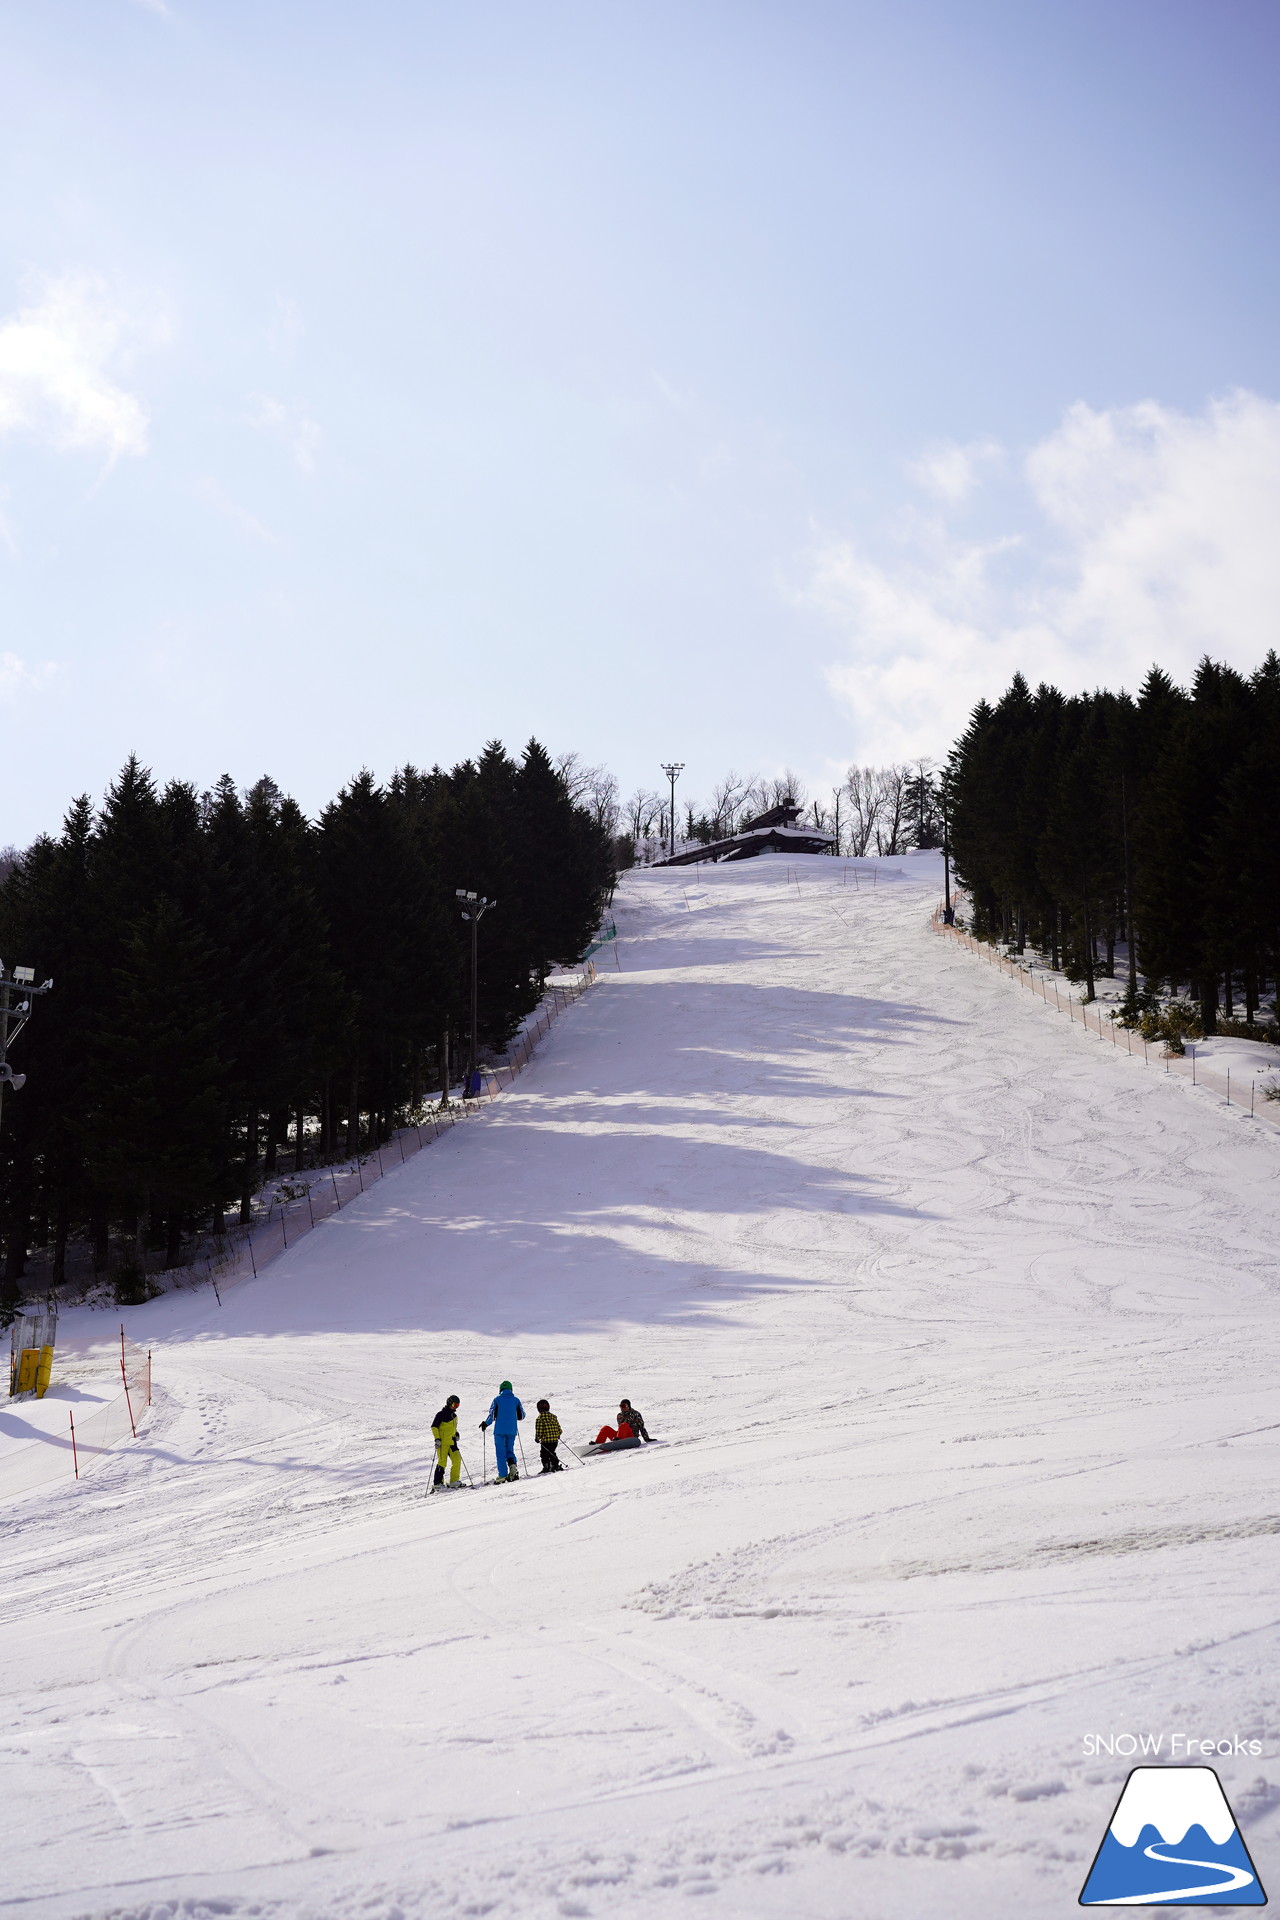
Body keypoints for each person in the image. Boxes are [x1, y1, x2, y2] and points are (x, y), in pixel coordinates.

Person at [480, 1379, 525, 1481]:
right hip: (512, 1430)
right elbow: (522, 1416)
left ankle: (503, 1475)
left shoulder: (497, 1399)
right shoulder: (516, 1400)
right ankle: (513, 1469)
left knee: (500, 1453)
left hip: (499, 1431)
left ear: (500, 1389)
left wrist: (485, 1424)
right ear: (511, 1389)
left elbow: (491, 1416)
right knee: (510, 1450)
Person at [431, 1394, 463, 1486]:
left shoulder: (454, 1416)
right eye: (454, 1405)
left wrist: (456, 1434)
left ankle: (454, 1481)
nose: (455, 1407)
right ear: (449, 1403)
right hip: (442, 1443)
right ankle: (438, 1484)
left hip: (452, 1442)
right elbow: (434, 1427)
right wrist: (437, 1439)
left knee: (457, 1459)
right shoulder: (441, 1414)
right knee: (442, 1462)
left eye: (457, 1405)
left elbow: (453, 1428)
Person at [535, 1398, 563, 1473]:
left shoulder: (540, 1418)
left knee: (544, 1454)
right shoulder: (553, 1417)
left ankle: (546, 1467)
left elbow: (539, 1430)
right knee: (552, 1452)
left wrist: (537, 1438)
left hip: (546, 1441)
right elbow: (558, 1428)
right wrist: (558, 1434)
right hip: (554, 1440)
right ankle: (555, 1465)